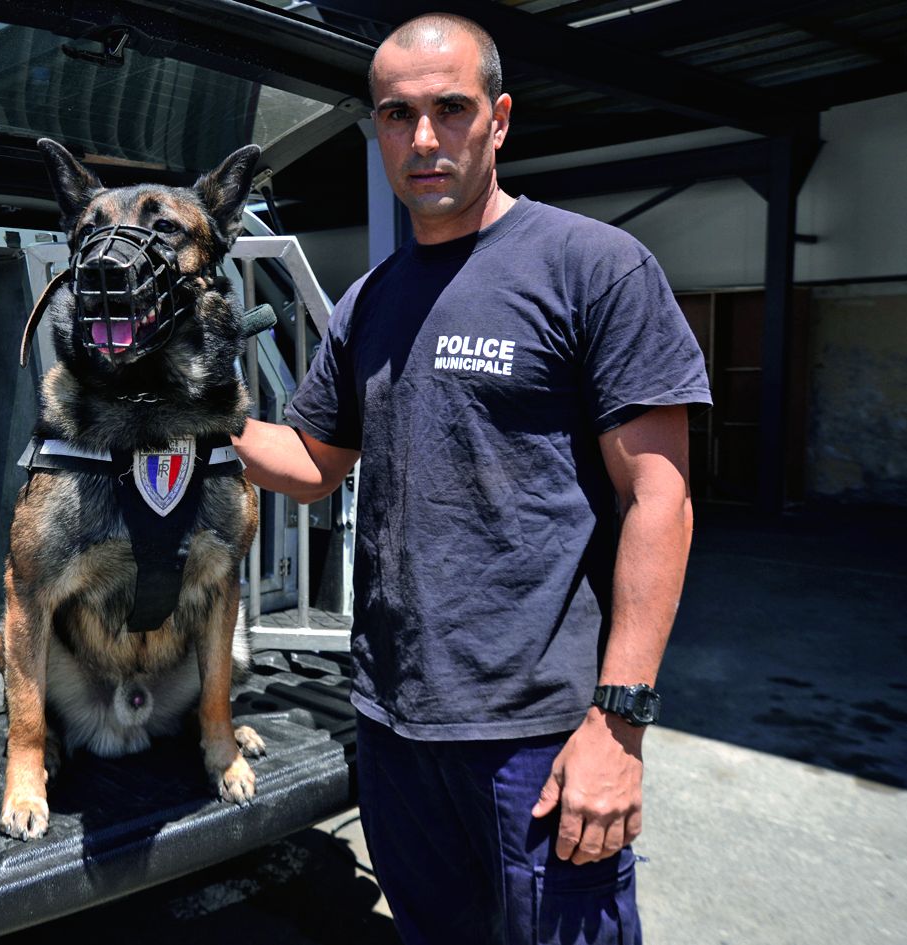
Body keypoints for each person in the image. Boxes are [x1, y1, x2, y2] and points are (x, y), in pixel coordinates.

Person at [231, 13, 711, 944]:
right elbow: (314, 464)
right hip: (393, 721)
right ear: (373, 129)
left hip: (535, 731)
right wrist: (196, 422)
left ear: (496, 119)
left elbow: (660, 499)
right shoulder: (370, 302)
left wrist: (618, 726)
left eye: (449, 109)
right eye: (395, 114)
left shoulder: (590, 266)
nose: (422, 138)